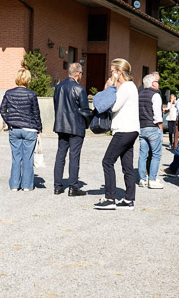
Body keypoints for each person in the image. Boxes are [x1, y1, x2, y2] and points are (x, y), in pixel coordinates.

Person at [94, 58, 139, 210]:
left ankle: (110, 198)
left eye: (112, 71)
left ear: (119, 72)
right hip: (132, 130)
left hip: (124, 130)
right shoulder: (131, 86)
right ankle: (129, 200)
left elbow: (112, 107)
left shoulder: (126, 87)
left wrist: (109, 87)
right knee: (127, 166)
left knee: (107, 161)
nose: (111, 74)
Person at [0, 69, 42, 192]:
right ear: (28, 80)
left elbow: (2, 109)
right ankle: (27, 185)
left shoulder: (9, 93)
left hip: (15, 128)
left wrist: (9, 122)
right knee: (28, 157)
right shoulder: (31, 94)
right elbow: (36, 113)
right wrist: (39, 128)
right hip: (30, 128)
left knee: (16, 157)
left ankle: (14, 185)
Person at [53, 62, 89, 196]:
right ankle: (73, 187)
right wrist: (87, 124)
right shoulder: (80, 89)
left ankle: (57, 186)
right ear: (78, 73)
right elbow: (85, 110)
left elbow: (56, 105)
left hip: (61, 125)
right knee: (74, 156)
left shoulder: (58, 87)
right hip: (76, 127)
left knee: (60, 155)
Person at [138, 73, 164, 189]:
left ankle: (142, 179)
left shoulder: (140, 94)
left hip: (142, 126)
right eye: (157, 82)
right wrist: (160, 127)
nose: (158, 84)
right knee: (156, 154)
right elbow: (157, 114)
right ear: (153, 83)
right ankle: (152, 179)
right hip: (152, 127)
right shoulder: (155, 95)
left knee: (142, 154)